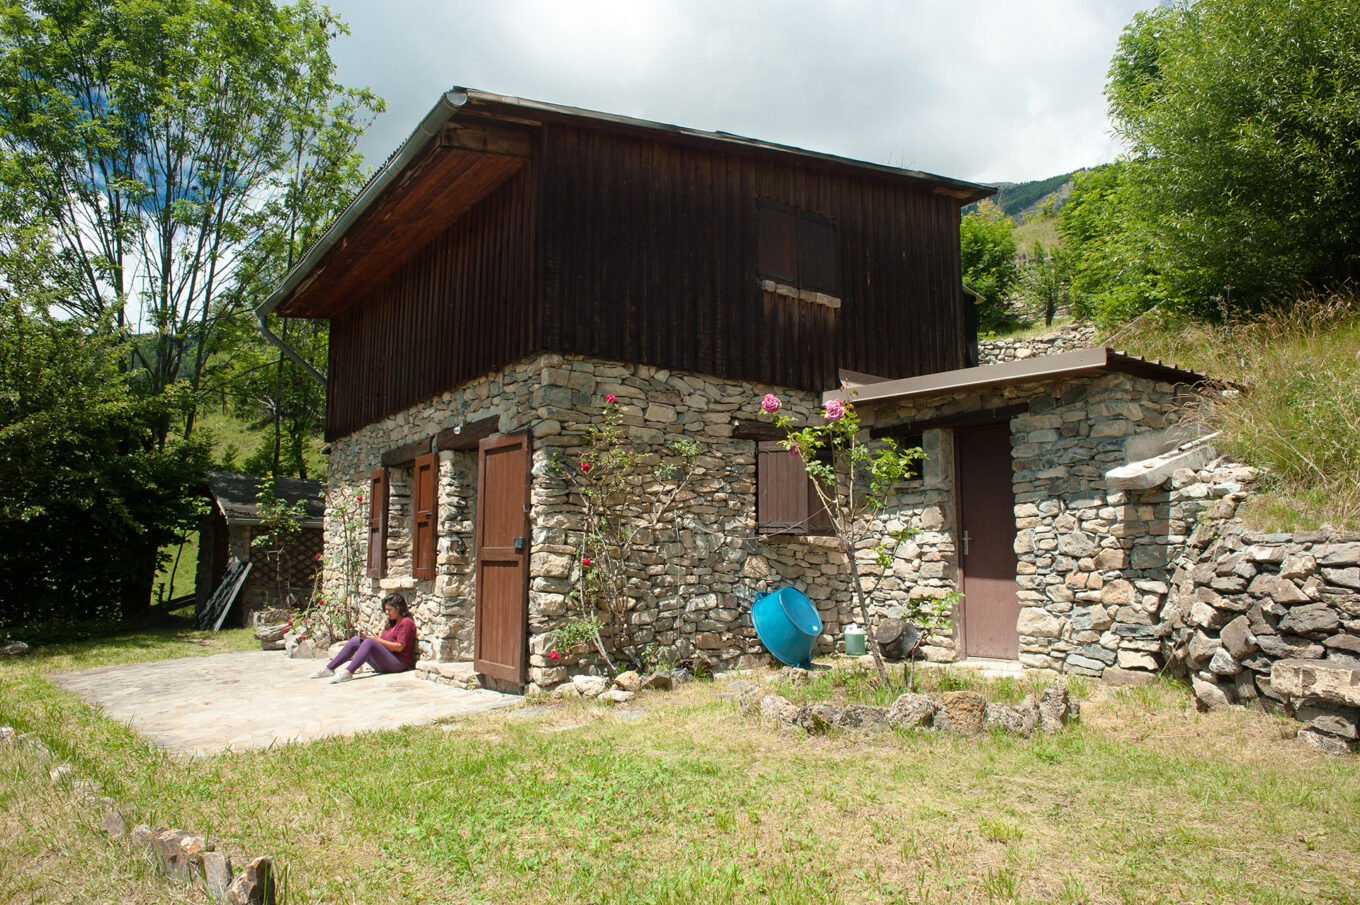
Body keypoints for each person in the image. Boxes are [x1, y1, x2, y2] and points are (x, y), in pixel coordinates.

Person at [312, 593, 418, 683]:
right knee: (355, 641)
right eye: (385, 610)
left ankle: (348, 672)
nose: (387, 613)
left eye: (389, 610)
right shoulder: (392, 623)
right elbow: (382, 644)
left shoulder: (406, 622)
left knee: (370, 642)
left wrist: (376, 640)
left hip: (398, 664)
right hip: (387, 660)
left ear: (398, 608)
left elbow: (399, 647)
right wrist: (366, 637)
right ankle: (329, 668)